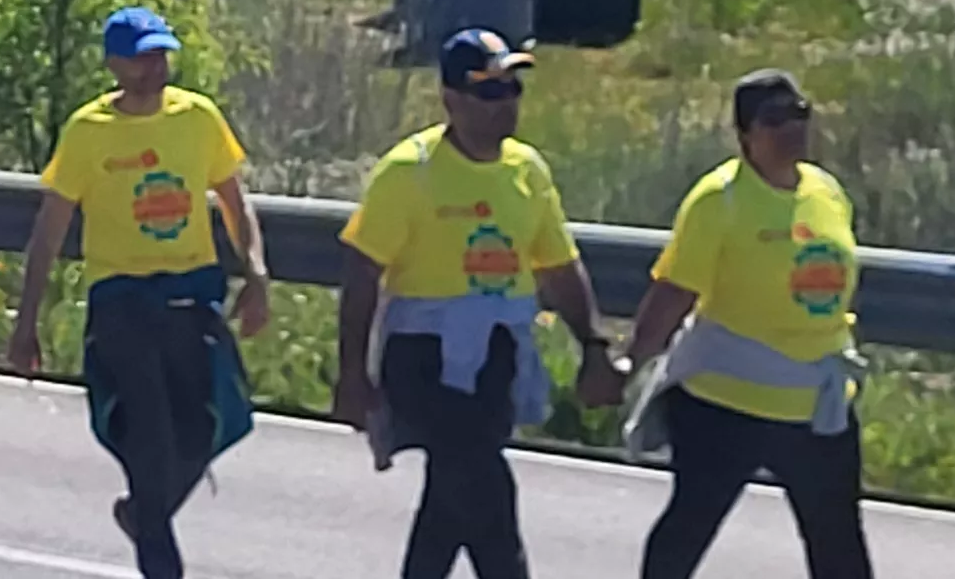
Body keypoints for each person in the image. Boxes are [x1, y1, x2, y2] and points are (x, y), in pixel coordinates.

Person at [332, 30, 624, 579]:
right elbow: (363, 272)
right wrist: (352, 371)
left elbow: (559, 267)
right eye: (489, 92)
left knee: (450, 499)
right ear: (452, 100)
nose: (505, 103)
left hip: (496, 356)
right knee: (486, 490)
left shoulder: (527, 172)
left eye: (512, 88)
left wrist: (593, 344)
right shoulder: (408, 172)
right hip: (423, 356)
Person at [1, 6, 271, 579]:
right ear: (114, 63)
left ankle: (144, 514)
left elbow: (233, 199)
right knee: (150, 441)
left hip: (192, 296)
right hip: (121, 299)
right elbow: (48, 230)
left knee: (206, 428)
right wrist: (26, 322)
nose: (154, 68)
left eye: (160, 55)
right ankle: (158, 547)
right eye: (142, 58)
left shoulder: (197, 118)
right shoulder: (88, 131)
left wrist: (256, 274)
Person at [628, 68, 870, 579]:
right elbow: (674, 293)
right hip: (727, 405)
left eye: (799, 114)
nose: (791, 128)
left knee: (839, 548)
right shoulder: (720, 200)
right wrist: (630, 360)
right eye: (774, 119)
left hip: (815, 407)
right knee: (688, 530)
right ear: (745, 136)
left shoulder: (826, 192)